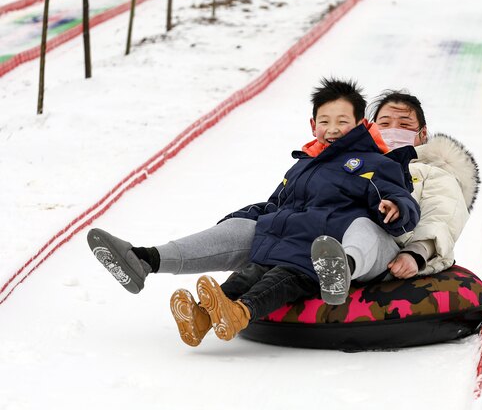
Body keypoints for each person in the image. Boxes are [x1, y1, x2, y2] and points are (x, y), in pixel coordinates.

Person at [87, 78, 420, 346]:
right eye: (325, 121)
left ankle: (255, 306)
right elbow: (276, 204)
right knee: (251, 269)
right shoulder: (304, 166)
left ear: (361, 124)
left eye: (342, 122)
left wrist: (394, 207)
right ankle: (151, 268)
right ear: (312, 125)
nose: (332, 129)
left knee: (282, 276)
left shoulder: (377, 162)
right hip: (292, 238)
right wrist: (239, 219)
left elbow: (400, 197)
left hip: (326, 246)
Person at [309, 90, 480, 304]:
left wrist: (416, 253)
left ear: (422, 133)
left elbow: (442, 215)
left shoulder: (433, 172)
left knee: (364, 226)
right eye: (385, 124)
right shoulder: (354, 165)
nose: (393, 131)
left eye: (405, 125)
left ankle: (340, 268)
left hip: (390, 253)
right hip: (330, 241)